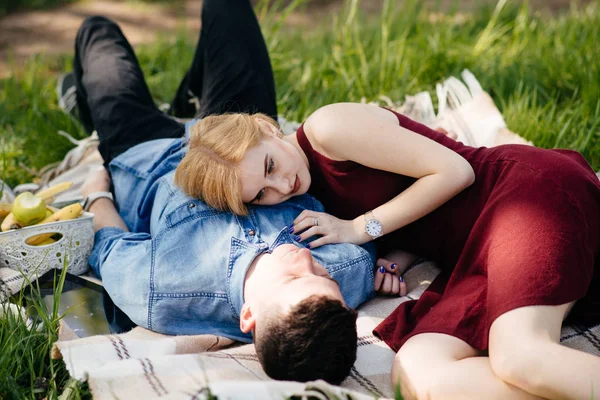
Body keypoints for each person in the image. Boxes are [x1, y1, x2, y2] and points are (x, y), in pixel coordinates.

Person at [176, 93, 600, 398]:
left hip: (517, 197)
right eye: (261, 195)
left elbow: (455, 172)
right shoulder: (308, 195)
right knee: (416, 373)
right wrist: (394, 261)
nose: (281, 186)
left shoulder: (329, 128)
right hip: (476, 251)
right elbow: (420, 215)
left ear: (268, 128)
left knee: (519, 357)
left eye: (269, 165)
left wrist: (359, 229)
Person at [70, 0, 404, 385]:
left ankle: (88, 105)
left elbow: (110, 245)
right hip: (237, 136)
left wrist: (97, 194)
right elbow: (376, 237)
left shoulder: (162, 293)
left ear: (249, 316)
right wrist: (390, 264)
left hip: (148, 156)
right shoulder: (345, 271)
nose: (305, 260)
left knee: (97, 30)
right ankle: (188, 99)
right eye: (321, 274)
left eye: (294, 280)